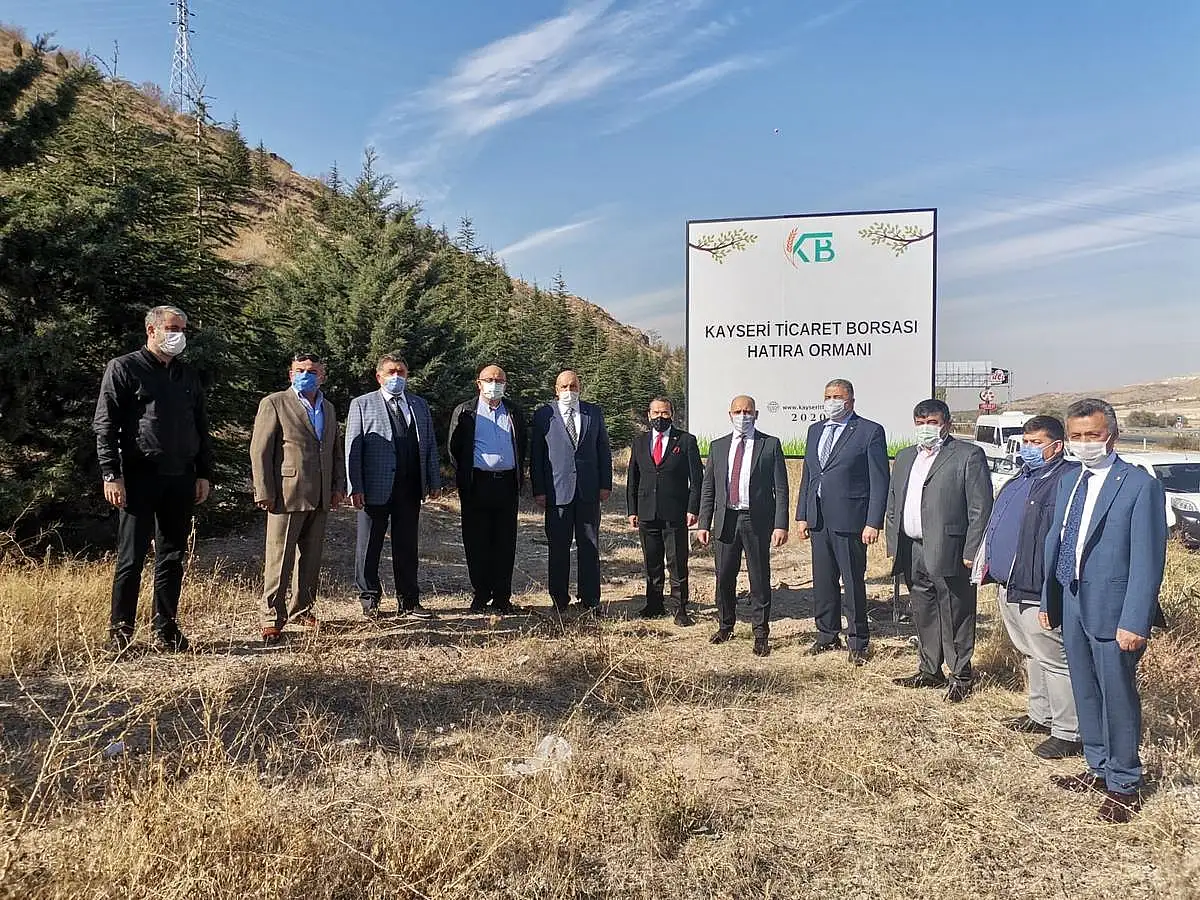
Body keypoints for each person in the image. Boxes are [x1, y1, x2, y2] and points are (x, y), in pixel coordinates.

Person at [1042, 399, 1166, 823]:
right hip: (1073, 598)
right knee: (1086, 689)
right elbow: (1059, 542)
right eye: (1076, 436)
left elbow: (1148, 560)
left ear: (1111, 435)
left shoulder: (1138, 485)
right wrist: (1051, 600)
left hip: (1114, 609)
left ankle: (1125, 782)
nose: (1084, 443)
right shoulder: (1070, 481)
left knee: (1117, 696)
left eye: (1092, 435)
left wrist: (1135, 619)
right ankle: (1098, 767)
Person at [93, 305, 213, 653]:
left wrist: (204, 473)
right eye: (173, 329)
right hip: (138, 476)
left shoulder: (186, 375)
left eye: (183, 330)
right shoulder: (124, 368)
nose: (179, 336)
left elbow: (200, 426)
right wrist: (111, 474)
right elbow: (105, 426)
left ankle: (166, 628)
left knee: (172, 556)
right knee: (131, 558)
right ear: (152, 330)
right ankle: (121, 632)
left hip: (181, 477)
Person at [976, 415, 1081, 758]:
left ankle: (1068, 731)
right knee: (1029, 653)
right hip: (1009, 584)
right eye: (1026, 441)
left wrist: (1053, 588)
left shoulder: (1067, 480)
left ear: (1057, 446)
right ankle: (1040, 715)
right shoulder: (1021, 477)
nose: (1028, 448)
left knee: (1053, 658)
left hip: (1038, 588)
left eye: (1037, 442)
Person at [886, 398, 992, 701]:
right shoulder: (905, 456)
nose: (925, 428)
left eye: (932, 422)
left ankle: (961, 676)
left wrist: (973, 550)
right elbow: (894, 501)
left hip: (951, 549)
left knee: (955, 611)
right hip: (912, 547)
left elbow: (980, 508)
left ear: (947, 424)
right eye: (920, 423)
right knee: (923, 609)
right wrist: (894, 542)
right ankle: (930, 669)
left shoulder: (968, 455)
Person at [250, 353, 346, 645]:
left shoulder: (328, 408)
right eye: (300, 370)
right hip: (286, 493)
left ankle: (302, 609)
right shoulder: (275, 403)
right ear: (291, 374)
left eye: (313, 371)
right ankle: (271, 617)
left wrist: (337, 486)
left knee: (311, 557)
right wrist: (264, 491)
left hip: (320, 494)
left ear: (322, 377)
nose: (306, 375)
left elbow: (334, 450)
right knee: (279, 558)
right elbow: (260, 450)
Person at [794, 378, 889, 665]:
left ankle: (858, 641)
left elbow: (879, 480)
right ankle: (827, 635)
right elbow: (810, 475)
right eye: (827, 396)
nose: (831, 401)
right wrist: (802, 515)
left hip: (851, 520)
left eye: (837, 396)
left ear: (851, 401)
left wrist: (873, 522)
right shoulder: (815, 430)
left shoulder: (869, 431)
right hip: (819, 518)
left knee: (852, 582)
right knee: (824, 582)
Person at [345, 353, 441, 619]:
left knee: (407, 546)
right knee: (369, 546)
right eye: (391, 372)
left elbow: (430, 444)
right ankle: (369, 601)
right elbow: (352, 449)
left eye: (401, 372)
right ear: (379, 377)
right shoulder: (362, 404)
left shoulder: (419, 405)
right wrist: (355, 486)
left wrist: (433, 480)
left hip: (410, 487)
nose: (396, 376)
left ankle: (409, 601)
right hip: (374, 487)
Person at [697, 395, 789, 657]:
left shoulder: (770, 445)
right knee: (724, 576)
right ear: (730, 415)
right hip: (726, 519)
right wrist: (704, 523)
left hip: (756, 520)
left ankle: (760, 633)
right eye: (737, 411)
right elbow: (708, 488)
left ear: (756, 415)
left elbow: (781, 489)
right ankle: (725, 626)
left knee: (758, 578)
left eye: (747, 411)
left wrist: (780, 525)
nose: (742, 416)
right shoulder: (718, 446)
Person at [530, 370, 613, 612]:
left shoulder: (593, 413)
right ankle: (559, 600)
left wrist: (605, 484)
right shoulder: (544, 415)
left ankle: (590, 599)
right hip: (557, 492)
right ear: (556, 390)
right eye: (564, 387)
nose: (569, 391)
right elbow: (537, 455)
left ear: (580, 387)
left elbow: (603, 450)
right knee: (558, 548)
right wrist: (539, 489)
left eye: (573, 386)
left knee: (589, 547)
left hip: (588, 492)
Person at [447, 364, 528, 615]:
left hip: (506, 484)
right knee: (476, 541)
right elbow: (454, 449)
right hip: (476, 484)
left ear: (505, 384)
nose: (495, 384)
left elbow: (522, 445)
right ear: (479, 383)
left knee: (505, 541)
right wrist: (466, 475)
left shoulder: (514, 412)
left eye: (499, 380)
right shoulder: (465, 411)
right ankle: (481, 594)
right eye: (490, 379)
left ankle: (502, 597)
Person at [625, 396, 704, 625]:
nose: (660, 417)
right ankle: (654, 604)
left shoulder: (686, 441)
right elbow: (633, 478)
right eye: (656, 413)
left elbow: (696, 480)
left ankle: (680, 608)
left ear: (672, 415)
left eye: (665, 413)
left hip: (675, 513)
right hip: (647, 512)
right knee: (652, 561)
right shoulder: (640, 442)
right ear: (649, 415)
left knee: (677, 562)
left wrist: (693, 508)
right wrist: (632, 510)